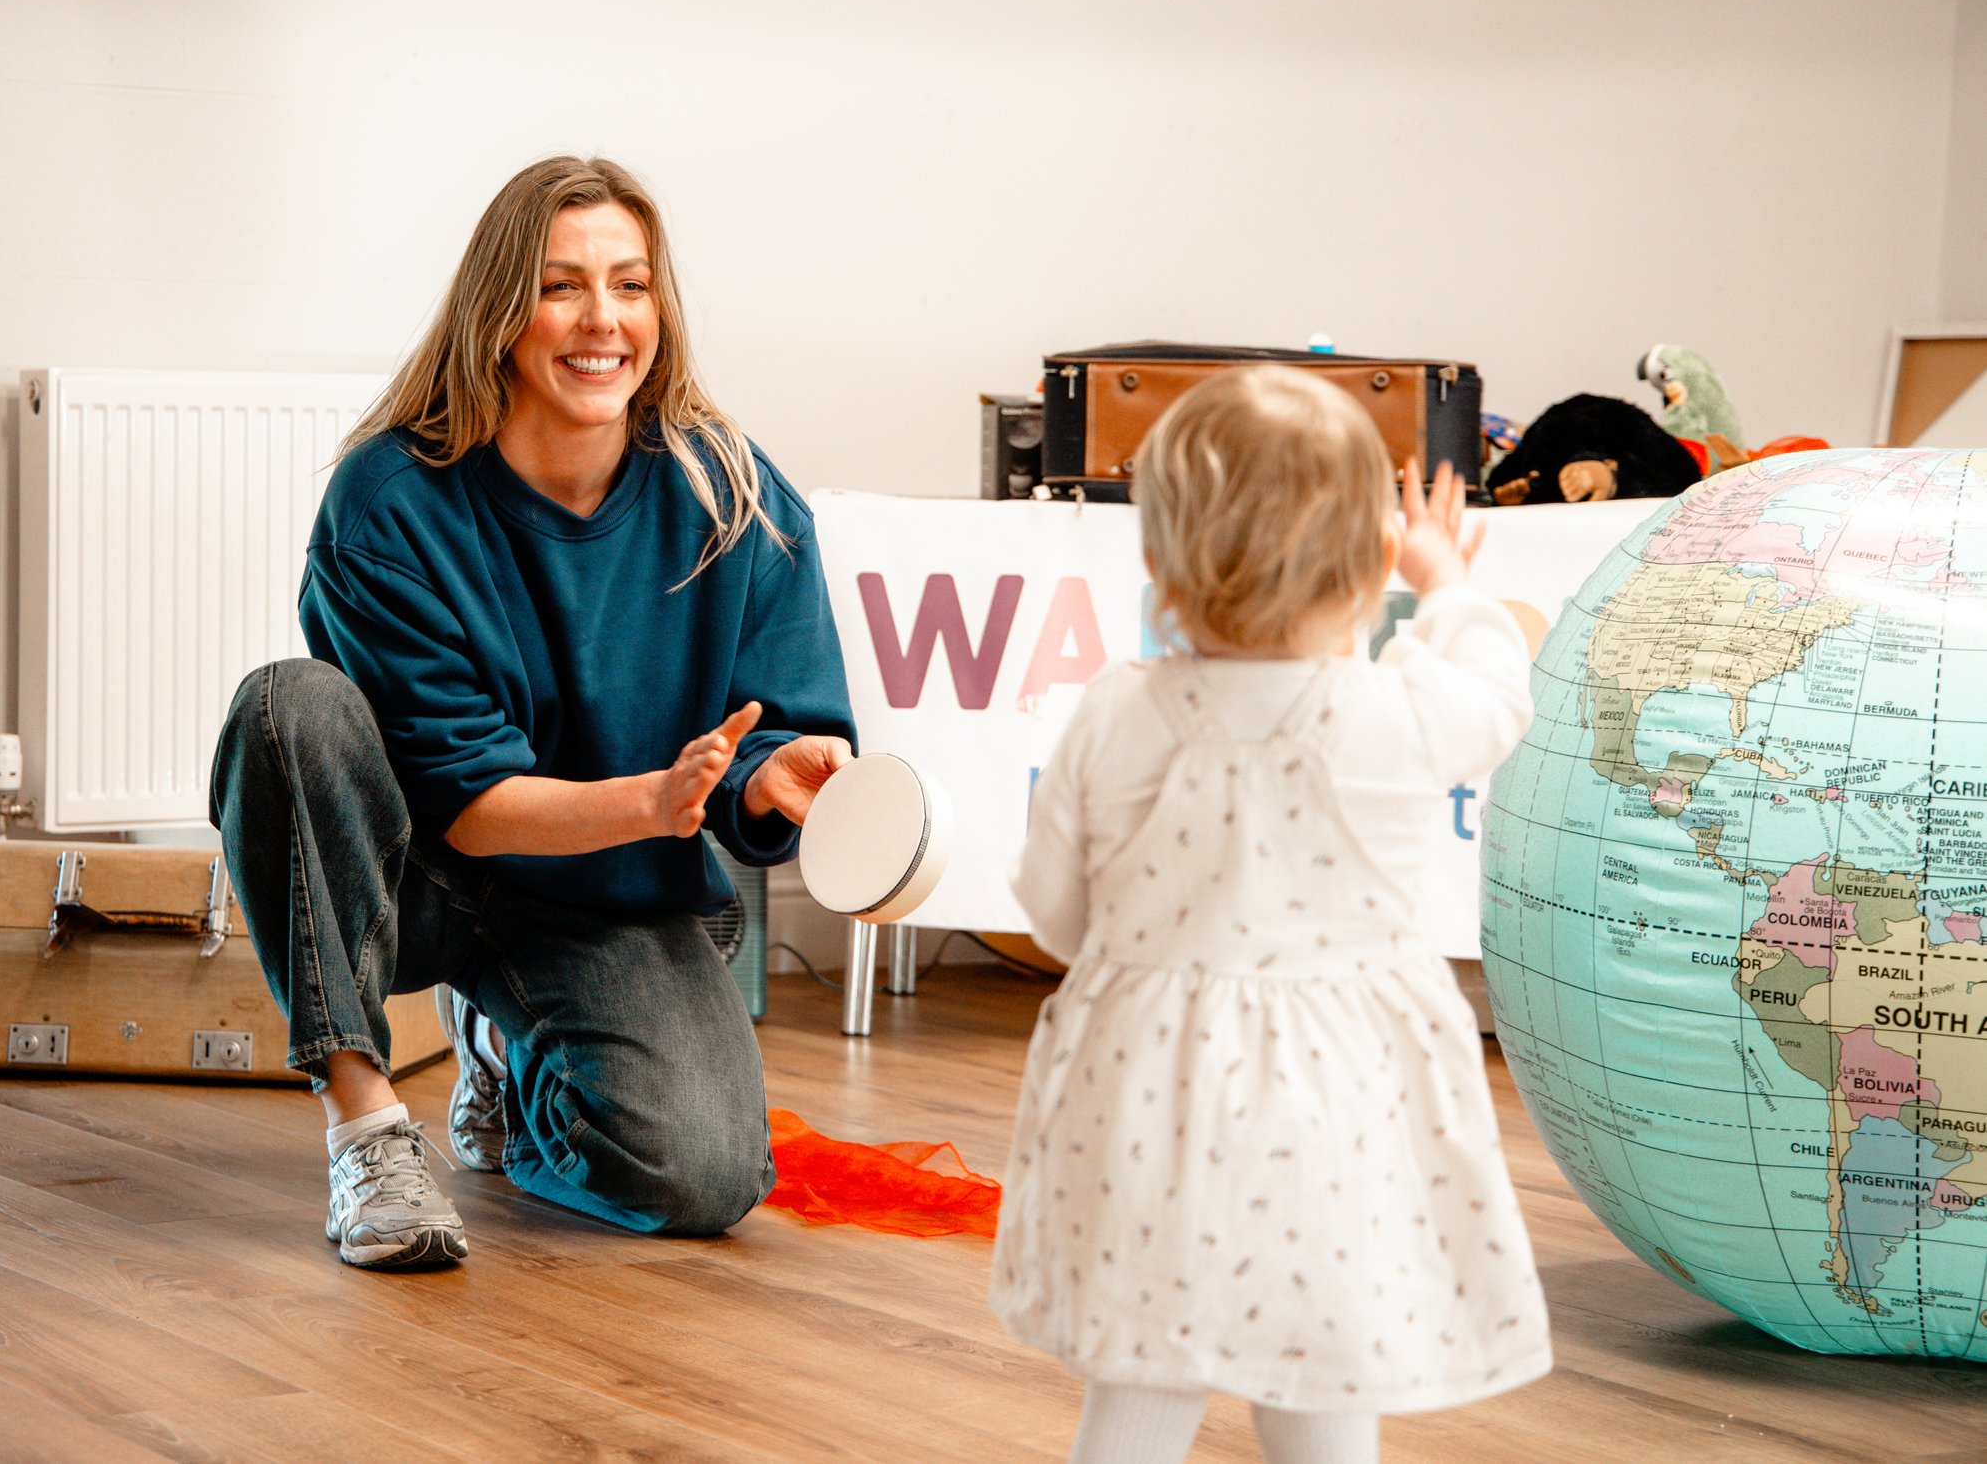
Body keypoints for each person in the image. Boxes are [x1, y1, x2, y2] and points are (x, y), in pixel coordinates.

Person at [210, 156, 856, 1270]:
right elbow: (467, 803)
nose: (602, 319)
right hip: (422, 876)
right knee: (287, 707)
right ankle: (365, 1127)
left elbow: (768, 738)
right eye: (562, 285)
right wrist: (655, 798)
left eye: (631, 284)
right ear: (500, 312)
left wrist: (770, 777)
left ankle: (505, 1060)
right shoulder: (388, 501)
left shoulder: (738, 497)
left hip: (608, 891)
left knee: (702, 1178)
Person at [991, 367, 1552, 1463]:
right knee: (1324, 1357)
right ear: (1368, 564)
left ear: (1158, 558)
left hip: (1147, 1101)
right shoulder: (1394, 712)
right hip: (1339, 1108)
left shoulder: (1116, 713)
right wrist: (1441, 586)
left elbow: (1055, 915)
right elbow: (1498, 689)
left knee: (1144, 1364)